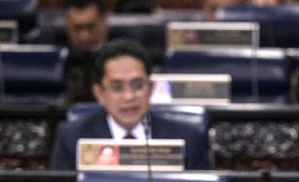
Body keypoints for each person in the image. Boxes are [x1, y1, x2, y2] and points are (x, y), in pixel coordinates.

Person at [49, 39, 211, 171]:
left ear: (151, 88)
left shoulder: (187, 138)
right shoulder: (72, 138)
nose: (129, 97)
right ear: (99, 94)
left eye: (138, 85)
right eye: (117, 87)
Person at [63, 0, 109, 103]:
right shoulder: (55, 61)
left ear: (104, 22)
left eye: (91, 27)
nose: (84, 36)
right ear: (67, 26)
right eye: (77, 28)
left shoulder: (124, 57)